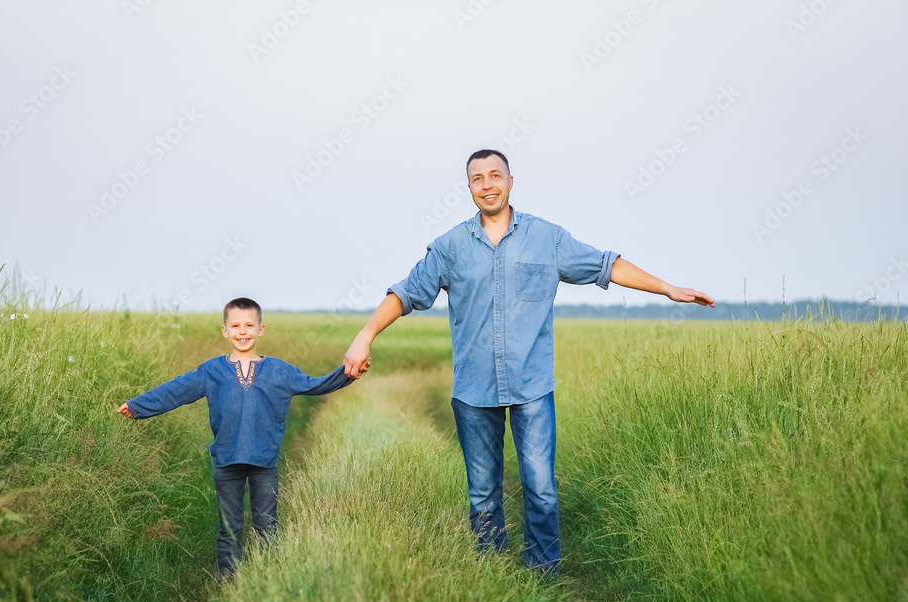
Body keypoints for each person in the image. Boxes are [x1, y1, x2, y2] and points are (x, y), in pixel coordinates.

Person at [343, 149, 713, 573]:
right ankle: (491, 572)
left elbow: (605, 265)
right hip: (474, 389)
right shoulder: (450, 248)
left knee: (540, 489)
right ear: (468, 189)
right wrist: (365, 335)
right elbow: (406, 293)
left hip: (531, 387)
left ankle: (544, 574)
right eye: (477, 178)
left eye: (495, 175)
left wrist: (668, 289)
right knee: (482, 493)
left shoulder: (547, 239)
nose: (487, 184)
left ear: (510, 181)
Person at [117, 297, 360, 579]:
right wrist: (137, 406)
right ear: (225, 331)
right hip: (226, 460)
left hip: (263, 461)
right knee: (229, 526)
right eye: (235, 325)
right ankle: (229, 583)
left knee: (266, 524)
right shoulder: (211, 371)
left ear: (261, 329)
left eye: (248, 325)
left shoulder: (280, 371)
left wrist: (349, 373)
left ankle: (269, 579)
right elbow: (176, 390)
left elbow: (315, 384)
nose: (242, 331)